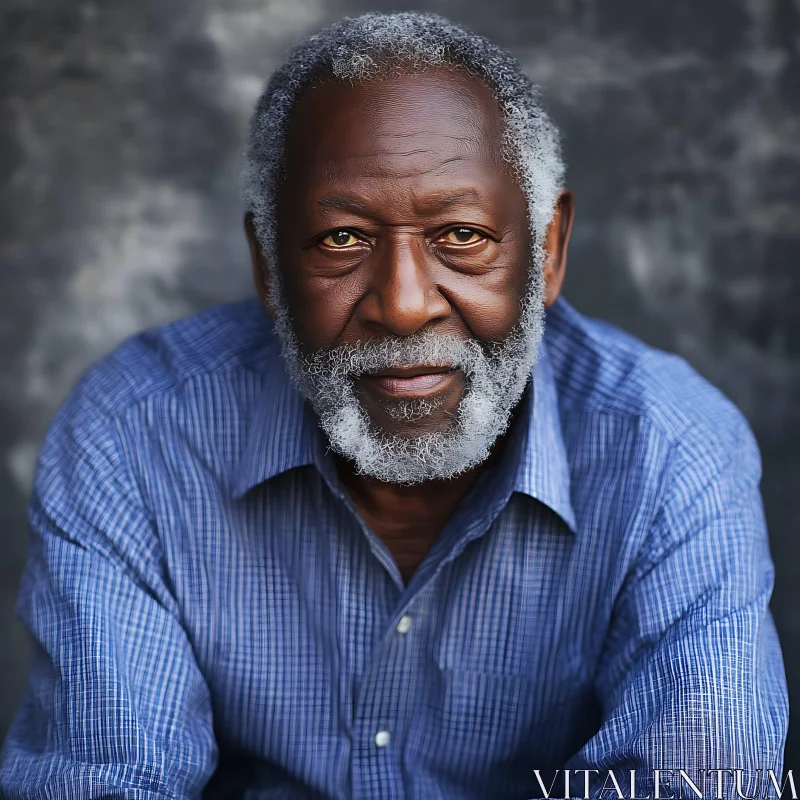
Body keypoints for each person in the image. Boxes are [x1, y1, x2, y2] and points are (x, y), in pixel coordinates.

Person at [0, 11, 788, 800]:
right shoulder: (135, 434)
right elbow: (102, 783)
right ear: (269, 267)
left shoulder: (673, 447)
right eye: (342, 240)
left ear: (547, 253)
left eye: (462, 235)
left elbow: (701, 787)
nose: (404, 305)